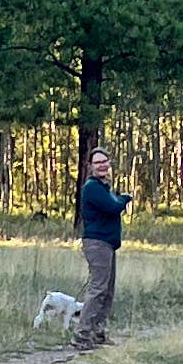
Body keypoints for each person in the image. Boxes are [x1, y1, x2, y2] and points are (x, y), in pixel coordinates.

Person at [70, 144, 128, 344]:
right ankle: (82, 334)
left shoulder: (103, 187)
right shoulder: (92, 187)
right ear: (91, 166)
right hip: (97, 243)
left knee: (107, 290)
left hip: (107, 244)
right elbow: (113, 207)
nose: (102, 165)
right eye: (97, 163)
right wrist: (124, 198)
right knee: (98, 289)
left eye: (104, 161)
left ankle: (98, 332)